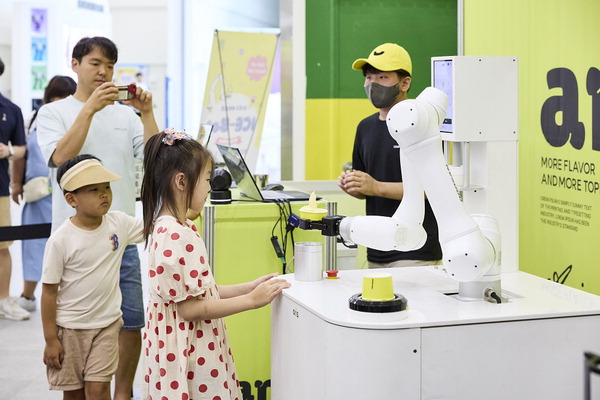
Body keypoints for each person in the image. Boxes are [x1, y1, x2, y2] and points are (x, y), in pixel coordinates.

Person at [37, 36, 159, 399]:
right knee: (74, 327)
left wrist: (148, 113)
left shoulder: (126, 115)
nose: (103, 71)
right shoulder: (53, 113)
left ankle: (123, 394)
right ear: (74, 65)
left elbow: (154, 160)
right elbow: (61, 159)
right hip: (75, 243)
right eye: (95, 63)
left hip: (120, 237)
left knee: (131, 320)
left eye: (109, 65)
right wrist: (88, 109)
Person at [140, 129, 290, 399]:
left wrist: (249, 287)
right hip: (192, 353)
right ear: (182, 181)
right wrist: (252, 301)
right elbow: (191, 309)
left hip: (179, 345)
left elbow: (203, 291)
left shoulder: (170, 226)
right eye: (207, 179)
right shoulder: (177, 235)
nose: (210, 187)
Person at [41, 154, 144, 400]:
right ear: (71, 199)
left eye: (107, 187)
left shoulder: (118, 223)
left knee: (98, 389)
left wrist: (185, 208)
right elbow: (48, 292)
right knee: (74, 393)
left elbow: (156, 225)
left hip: (107, 327)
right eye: (94, 189)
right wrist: (50, 340)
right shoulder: (60, 240)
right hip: (69, 330)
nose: (104, 194)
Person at [338, 43, 442, 268]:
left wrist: (376, 187)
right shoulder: (365, 128)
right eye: (368, 77)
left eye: (382, 77)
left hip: (415, 252)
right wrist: (355, 187)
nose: (372, 84)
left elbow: (430, 189)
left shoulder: (421, 126)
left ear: (405, 83)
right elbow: (369, 189)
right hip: (376, 250)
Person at [10, 75, 77, 312]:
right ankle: (27, 295)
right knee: (33, 245)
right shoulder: (34, 118)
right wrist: (16, 183)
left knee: (67, 246)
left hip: (68, 192)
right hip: (37, 194)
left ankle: (65, 297)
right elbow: (23, 154)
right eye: (56, 96)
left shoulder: (76, 118)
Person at [0, 56, 28, 321]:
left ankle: (4, 300)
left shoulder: (11, 109)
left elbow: (21, 148)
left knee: (2, 244)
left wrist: (7, 150)